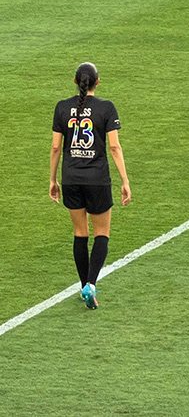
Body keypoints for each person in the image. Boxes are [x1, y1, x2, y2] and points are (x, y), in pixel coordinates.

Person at [49, 62, 132, 309]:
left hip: (71, 178)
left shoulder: (62, 107)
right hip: (97, 180)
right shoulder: (106, 108)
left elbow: (55, 147)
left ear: (75, 82)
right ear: (98, 82)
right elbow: (115, 147)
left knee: (80, 234)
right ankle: (91, 285)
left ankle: (83, 286)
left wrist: (53, 180)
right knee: (102, 234)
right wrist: (125, 181)